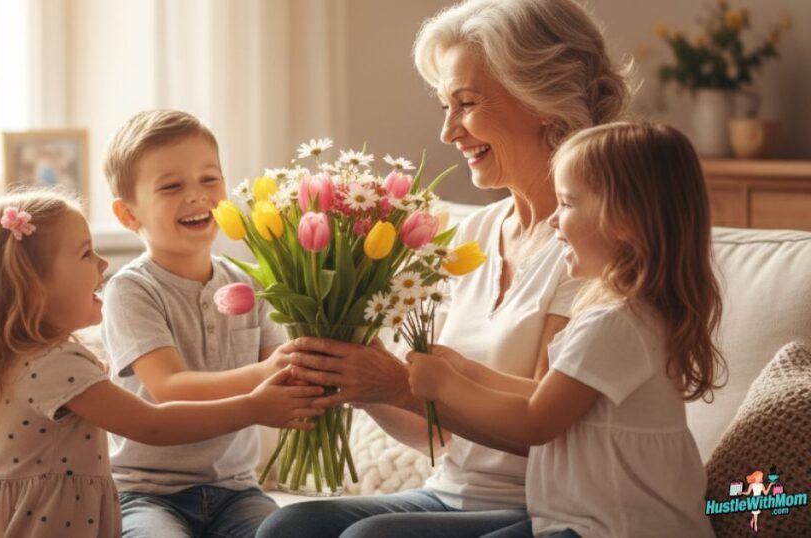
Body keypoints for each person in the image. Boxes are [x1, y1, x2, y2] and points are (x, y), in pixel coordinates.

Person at [258, 0, 630, 536]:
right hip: (450, 496)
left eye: (466, 104)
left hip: (548, 506)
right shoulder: (473, 237)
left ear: (542, 100)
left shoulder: (591, 246)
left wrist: (400, 386)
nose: (448, 132)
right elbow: (441, 436)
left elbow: (546, 429)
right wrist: (359, 377)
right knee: (289, 527)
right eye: (445, 107)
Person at [0, 191, 322, 538]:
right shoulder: (55, 365)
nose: (102, 263)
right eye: (85, 254)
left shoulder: (21, 357)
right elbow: (152, 425)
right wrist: (253, 407)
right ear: (31, 286)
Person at [408, 121, 721, 536]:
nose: (553, 220)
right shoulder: (624, 313)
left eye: (567, 204)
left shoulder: (615, 324)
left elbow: (535, 422)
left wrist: (446, 385)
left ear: (624, 220)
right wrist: (466, 370)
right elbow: (547, 396)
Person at [100, 109, 303, 537]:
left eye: (209, 179)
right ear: (128, 214)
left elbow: (283, 374)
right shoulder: (131, 290)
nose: (197, 196)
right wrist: (263, 375)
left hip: (237, 491)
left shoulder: (251, 282)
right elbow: (170, 387)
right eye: (171, 186)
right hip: (147, 492)